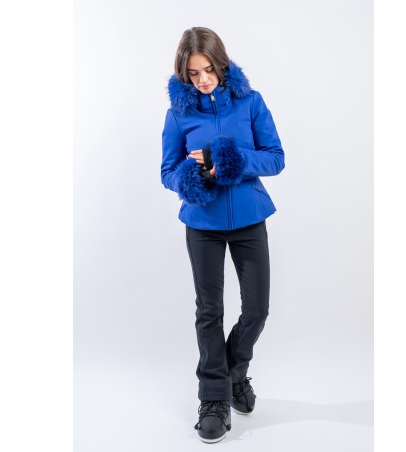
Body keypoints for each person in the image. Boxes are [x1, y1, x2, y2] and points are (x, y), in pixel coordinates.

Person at [161, 26, 285, 443]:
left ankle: (234, 373)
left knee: (257, 309)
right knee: (209, 311)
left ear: (221, 63)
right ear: (184, 73)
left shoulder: (250, 102)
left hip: (249, 218)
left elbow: (275, 158)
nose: (203, 80)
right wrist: (191, 175)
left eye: (209, 70)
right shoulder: (178, 114)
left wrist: (229, 158)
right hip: (203, 224)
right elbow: (167, 171)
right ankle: (214, 398)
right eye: (193, 73)